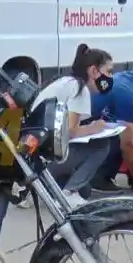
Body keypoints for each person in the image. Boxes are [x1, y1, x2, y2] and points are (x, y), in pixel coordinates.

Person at [33, 44, 116, 208]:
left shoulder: (67, 82)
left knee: (85, 190)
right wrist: (95, 128)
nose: (111, 77)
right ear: (93, 71)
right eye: (108, 71)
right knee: (102, 145)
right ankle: (69, 193)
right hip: (44, 159)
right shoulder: (80, 89)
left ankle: (40, 188)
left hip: (36, 157)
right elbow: (70, 131)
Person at [86, 64, 133, 195]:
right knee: (122, 133)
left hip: (95, 126)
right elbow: (127, 145)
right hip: (88, 136)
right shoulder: (127, 94)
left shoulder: (130, 80)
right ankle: (99, 176)